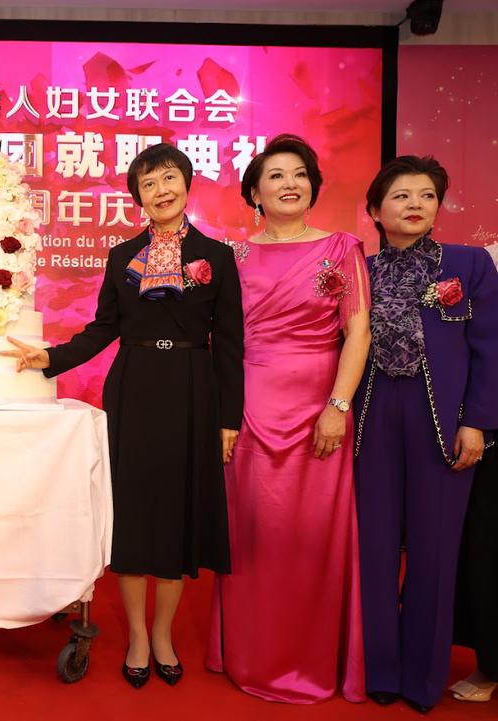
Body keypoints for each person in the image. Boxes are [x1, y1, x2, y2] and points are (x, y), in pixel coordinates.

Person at [4, 143, 243, 690]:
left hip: (194, 388)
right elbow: (104, 328)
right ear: (138, 197)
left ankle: (163, 635)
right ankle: (136, 634)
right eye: (148, 184)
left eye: (168, 179)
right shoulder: (122, 257)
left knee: (178, 517)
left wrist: (228, 419)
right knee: (133, 516)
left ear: (187, 183)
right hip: (134, 387)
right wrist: (50, 358)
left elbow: (230, 343)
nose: (160, 191)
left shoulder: (217, 256)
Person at [205, 134, 371, 704]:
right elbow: (221, 340)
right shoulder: (231, 257)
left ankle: (312, 659)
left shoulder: (343, 248)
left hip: (321, 410)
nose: (289, 183)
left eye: (299, 173)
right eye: (275, 176)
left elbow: (358, 332)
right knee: (256, 534)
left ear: (313, 185)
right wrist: (223, 413)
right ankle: (251, 653)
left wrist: (338, 406)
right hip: (250, 408)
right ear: (255, 192)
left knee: (313, 536)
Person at [354, 155, 498, 713]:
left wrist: (477, 422)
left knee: (435, 551)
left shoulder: (469, 264)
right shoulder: (359, 267)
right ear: (375, 210)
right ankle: (380, 669)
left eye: (427, 195)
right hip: (372, 416)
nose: (415, 204)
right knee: (375, 545)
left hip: (442, 417)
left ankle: (422, 677)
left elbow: (490, 349)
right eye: (401, 195)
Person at [450, 242, 498, 706]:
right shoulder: (483, 260)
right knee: (485, 544)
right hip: (489, 416)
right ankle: (490, 663)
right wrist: (478, 419)